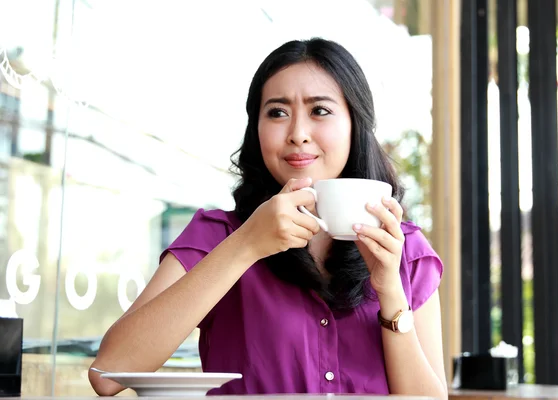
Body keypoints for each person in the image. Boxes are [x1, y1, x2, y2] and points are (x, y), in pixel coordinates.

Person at [89, 38, 447, 398]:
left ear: (356, 124)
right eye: (277, 112)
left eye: (320, 111)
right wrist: (246, 245)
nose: (297, 134)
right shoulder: (218, 236)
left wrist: (391, 293)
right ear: (255, 129)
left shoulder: (407, 250)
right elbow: (108, 375)